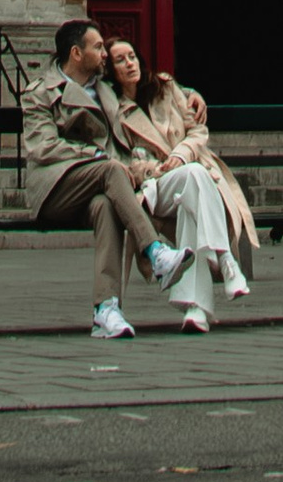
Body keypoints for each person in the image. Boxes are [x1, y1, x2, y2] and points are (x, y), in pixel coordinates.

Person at [21, 18, 190, 340]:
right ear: (76, 53)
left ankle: (106, 309)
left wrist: (192, 97)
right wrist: (97, 157)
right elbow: (43, 147)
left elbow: (148, 85)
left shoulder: (105, 90)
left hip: (98, 188)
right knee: (111, 170)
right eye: (98, 47)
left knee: (107, 207)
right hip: (55, 187)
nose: (105, 54)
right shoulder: (40, 93)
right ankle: (155, 251)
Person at [104, 42, 250, 335]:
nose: (130, 64)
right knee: (194, 178)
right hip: (154, 187)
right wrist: (154, 169)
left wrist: (180, 155)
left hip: (189, 173)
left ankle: (196, 310)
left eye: (132, 56)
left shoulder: (167, 89)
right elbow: (117, 160)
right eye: (120, 60)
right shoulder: (113, 109)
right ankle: (224, 257)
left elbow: (197, 131)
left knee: (191, 198)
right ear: (111, 71)